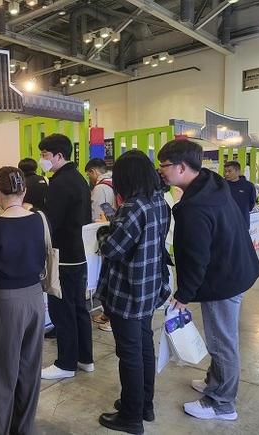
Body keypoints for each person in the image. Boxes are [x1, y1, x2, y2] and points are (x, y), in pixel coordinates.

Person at [157, 139, 259, 421]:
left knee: (221, 342)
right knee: (222, 338)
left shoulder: (196, 206)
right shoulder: (211, 183)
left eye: (164, 165)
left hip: (222, 281)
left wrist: (184, 294)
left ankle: (222, 403)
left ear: (182, 167)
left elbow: (197, 257)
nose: (161, 171)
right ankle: (214, 382)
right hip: (236, 270)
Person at [95, 150, 172, 435]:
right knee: (143, 346)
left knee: (129, 353)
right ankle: (143, 405)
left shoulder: (132, 207)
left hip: (127, 290)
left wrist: (103, 233)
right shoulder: (159, 201)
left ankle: (130, 416)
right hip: (150, 286)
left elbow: (112, 249)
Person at [0, 166, 46, 435]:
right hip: (35, 298)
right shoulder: (38, 220)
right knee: (29, 367)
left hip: (6, 300)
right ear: (24, 191)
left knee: (1, 371)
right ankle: (23, 428)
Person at [38, 133, 94, 380]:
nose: (42, 159)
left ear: (59, 155)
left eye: (44, 155)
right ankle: (85, 358)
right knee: (79, 308)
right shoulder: (79, 178)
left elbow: (51, 221)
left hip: (62, 257)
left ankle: (66, 363)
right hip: (78, 253)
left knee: (62, 311)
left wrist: (34, 214)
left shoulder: (60, 183)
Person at [85, 158, 118, 333]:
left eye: (88, 174)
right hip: (114, 232)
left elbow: (95, 215)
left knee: (106, 276)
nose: (89, 178)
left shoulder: (99, 188)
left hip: (105, 236)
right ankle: (107, 314)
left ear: (93, 171)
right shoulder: (114, 182)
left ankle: (110, 316)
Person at [224, 160, 256, 227]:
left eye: (229, 171)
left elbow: (251, 203)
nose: (226, 174)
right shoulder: (221, 185)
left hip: (242, 223)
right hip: (224, 223)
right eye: (225, 171)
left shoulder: (248, 186)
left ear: (238, 172)